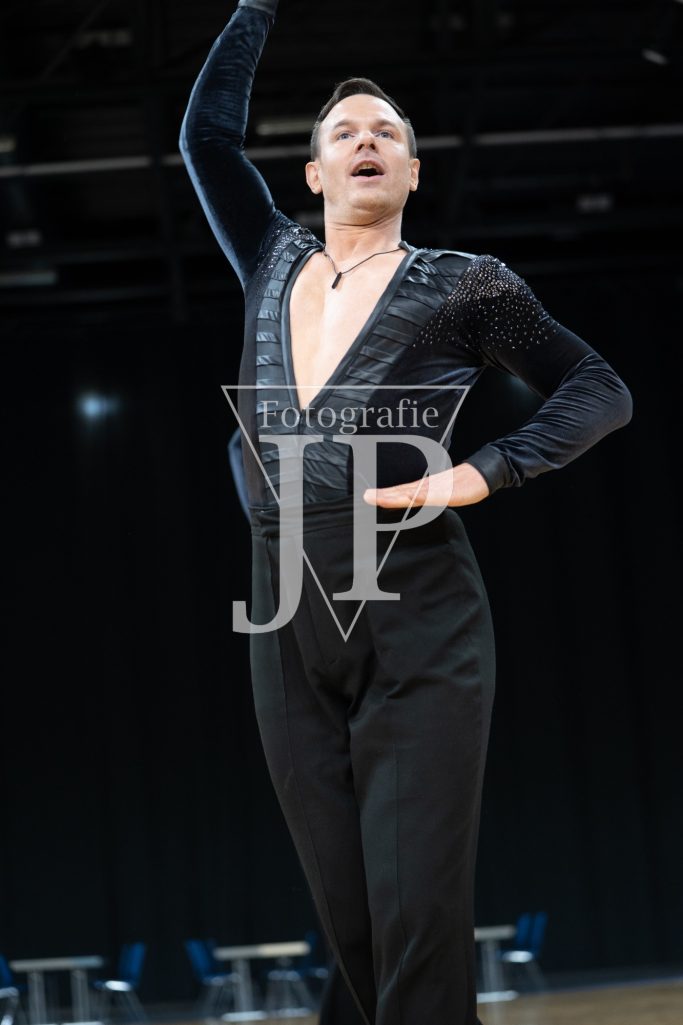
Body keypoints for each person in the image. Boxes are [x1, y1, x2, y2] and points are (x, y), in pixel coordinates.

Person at [179, 4, 633, 1024]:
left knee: (415, 908)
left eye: (387, 132)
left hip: (416, 603)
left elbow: (598, 388)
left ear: (412, 172)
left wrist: (480, 473)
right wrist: (254, 8)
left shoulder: (464, 285)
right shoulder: (269, 258)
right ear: (313, 174)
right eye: (344, 132)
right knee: (353, 918)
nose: (367, 140)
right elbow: (206, 136)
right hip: (284, 605)